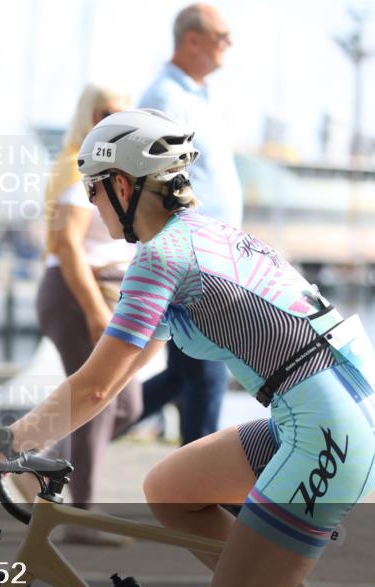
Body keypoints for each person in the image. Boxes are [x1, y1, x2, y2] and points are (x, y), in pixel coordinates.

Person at [0, 110, 375, 587]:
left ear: (124, 186)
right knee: (171, 488)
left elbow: (96, 389)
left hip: (328, 434)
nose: (91, 203)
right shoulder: (209, 235)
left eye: (94, 189)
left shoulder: (160, 259)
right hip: (345, 415)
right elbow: (120, 367)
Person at [11, 84, 141, 544]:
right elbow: (67, 243)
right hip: (76, 293)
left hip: (99, 293)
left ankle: (37, 469)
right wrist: (93, 310)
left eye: (122, 115)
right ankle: (82, 512)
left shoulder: (106, 165)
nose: (112, 123)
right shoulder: (77, 164)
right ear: (86, 116)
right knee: (101, 400)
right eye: (104, 113)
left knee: (126, 404)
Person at [133, 3, 243, 445]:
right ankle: (199, 494)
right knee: (206, 376)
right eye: (222, 35)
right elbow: (154, 183)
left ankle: (69, 446)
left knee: (184, 376)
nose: (230, 44)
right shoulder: (166, 98)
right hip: (193, 257)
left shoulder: (199, 96)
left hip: (214, 252)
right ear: (192, 39)